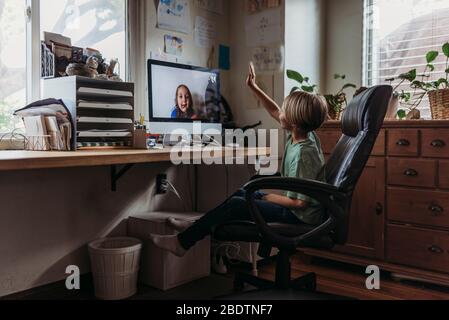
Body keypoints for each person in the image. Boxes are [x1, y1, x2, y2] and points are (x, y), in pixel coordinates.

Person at [150, 62, 329, 257]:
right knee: (244, 191)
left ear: (293, 122)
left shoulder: (304, 153)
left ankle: (183, 242)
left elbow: (299, 203)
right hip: (296, 211)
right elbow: (274, 110)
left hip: (300, 217)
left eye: (284, 112)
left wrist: (267, 196)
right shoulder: (303, 133)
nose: (279, 114)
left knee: (239, 203)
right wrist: (254, 88)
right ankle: (197, 226)